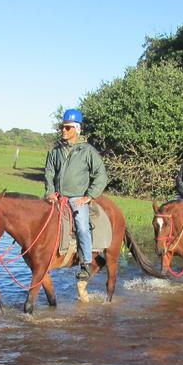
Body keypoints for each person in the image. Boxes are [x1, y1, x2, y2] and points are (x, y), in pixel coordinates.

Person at [44, 108, 108, 282]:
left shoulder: (88, 152)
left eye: (68, 127)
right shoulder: (55, 151)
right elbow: (49, 172)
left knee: (81, 227)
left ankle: (86, 263)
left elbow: (101, 175)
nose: (63, 130)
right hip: (56, 196)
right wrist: (50, 192)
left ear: (77, 129)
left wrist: (89, 196)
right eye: (62, 127)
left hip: (76, 198)